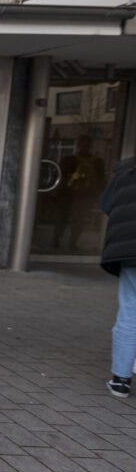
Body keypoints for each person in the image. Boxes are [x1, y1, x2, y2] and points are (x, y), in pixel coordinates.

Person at [101, 157, 136, 397]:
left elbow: (107, 203)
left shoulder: (127, 168)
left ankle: (121, 380)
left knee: (130, 311)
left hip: (129, 251)